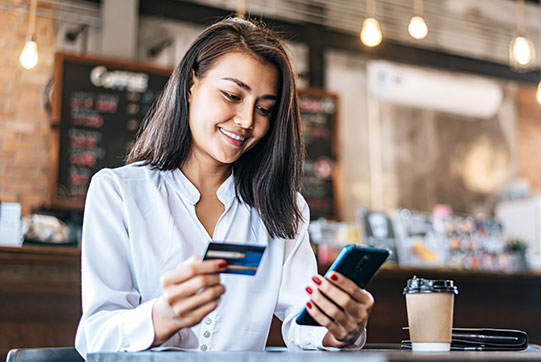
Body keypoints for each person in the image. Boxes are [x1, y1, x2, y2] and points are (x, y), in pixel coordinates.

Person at [74, 17, 374, 357]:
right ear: (191, 85)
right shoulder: (119, 192)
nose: (247, 121)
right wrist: (161, 317)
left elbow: (301, 324)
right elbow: (95, 337)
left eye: (263, 109)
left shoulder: (283, 209)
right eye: (232, 95)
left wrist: (339, 330)